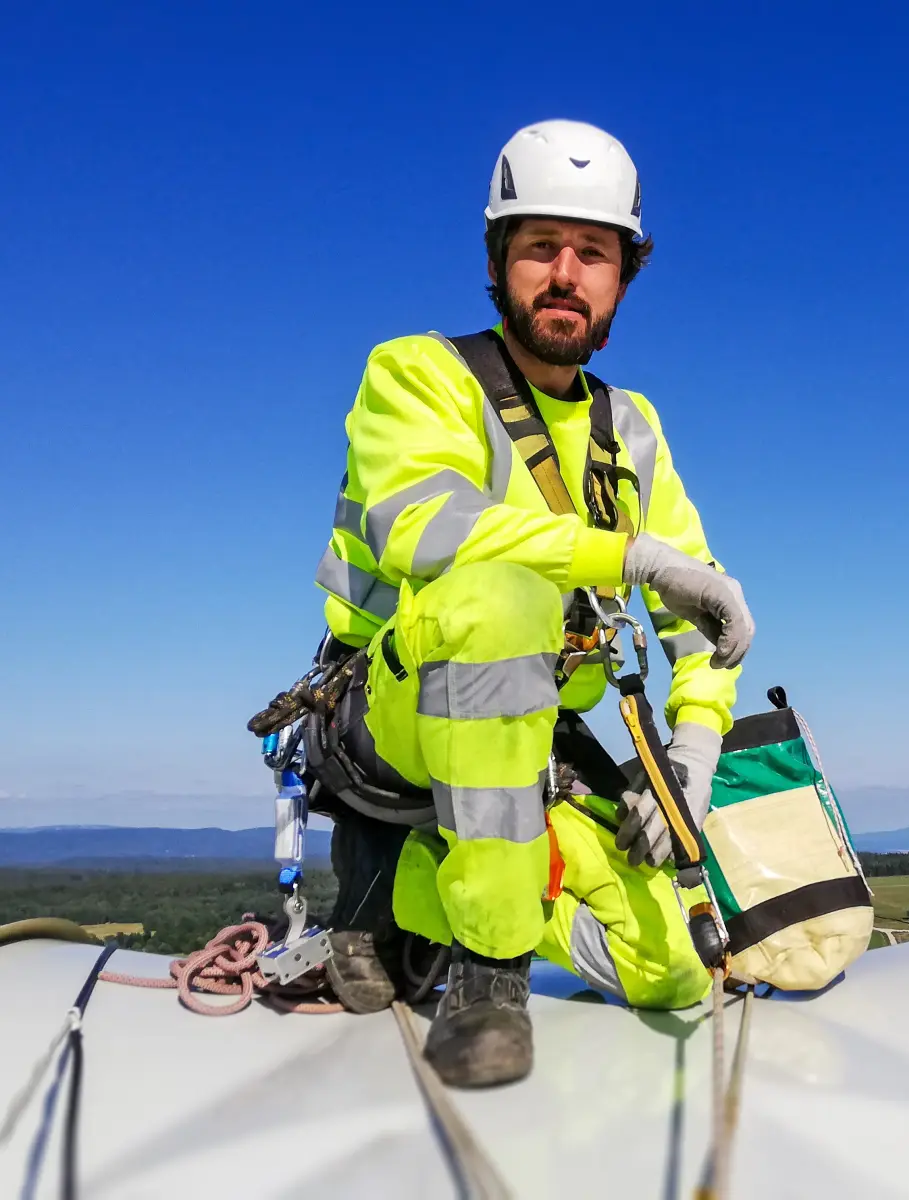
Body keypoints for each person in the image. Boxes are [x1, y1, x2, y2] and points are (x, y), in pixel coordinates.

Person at [307, 118, 754, 1087]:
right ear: (498, 261)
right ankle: (489, 973)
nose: (564, 272)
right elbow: (428, 527)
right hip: (396, 717)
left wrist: (692, 747)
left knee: (671, 971)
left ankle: (421, 897)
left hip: (533, 735)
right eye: (539, 246)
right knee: (500, 597)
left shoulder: (629, 427)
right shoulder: (418, 373)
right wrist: (627, 555)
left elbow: (695, 609)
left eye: (591, 252)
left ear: (622, 276)